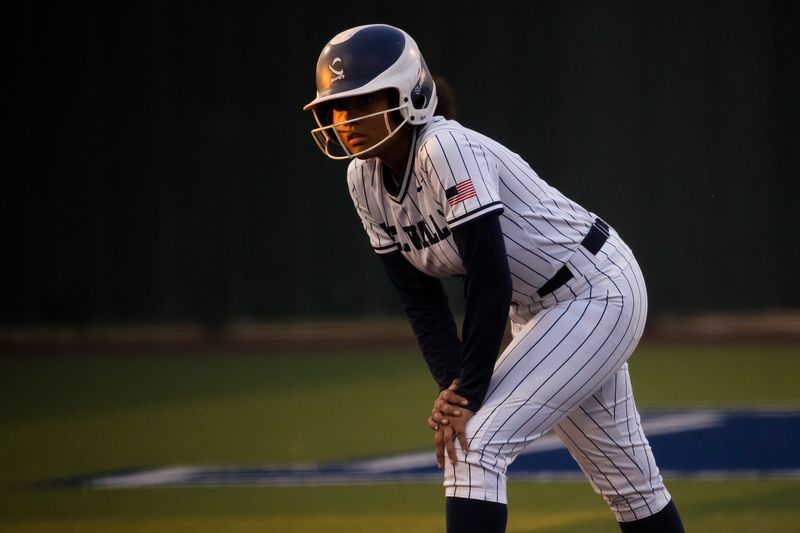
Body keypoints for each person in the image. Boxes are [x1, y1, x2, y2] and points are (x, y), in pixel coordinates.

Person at [303, 23, 685, 533]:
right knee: (630, 484)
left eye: (364, 101)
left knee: (473, 444)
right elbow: (419, 298)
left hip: (596, 288)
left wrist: (468, 394)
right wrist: (452, 386)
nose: (344, 119)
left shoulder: (445, 148)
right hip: (541, 311)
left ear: (411, 95)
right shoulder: (362, 179)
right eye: (335, 107)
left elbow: (488, 276)